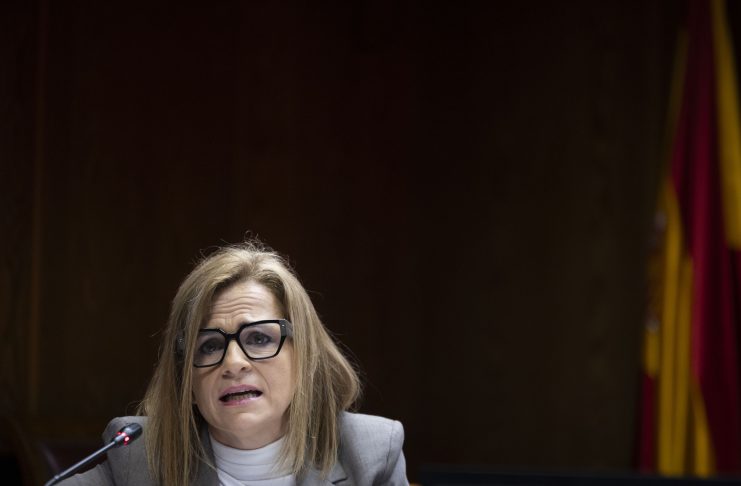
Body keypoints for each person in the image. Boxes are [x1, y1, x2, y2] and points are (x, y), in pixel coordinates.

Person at [60, 240, 408, 485]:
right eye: (209, 346)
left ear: (305, 357)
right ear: (186, 380)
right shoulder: (138, 458)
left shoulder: (368, 454)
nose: (233, 363)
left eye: (258, 338)